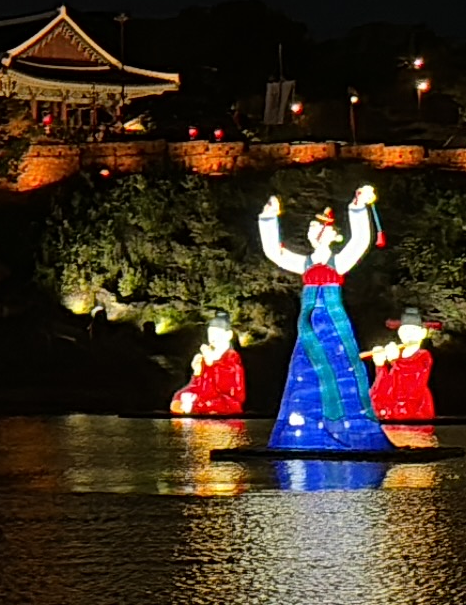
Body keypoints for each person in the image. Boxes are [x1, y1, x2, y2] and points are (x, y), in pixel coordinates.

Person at [254, 187, 390, 451]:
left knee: (341, 367)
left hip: (333, 321)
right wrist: (269, 219)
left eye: (322, 227)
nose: (315, 231)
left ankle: (343, 426)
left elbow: (361, 240)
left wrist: (358, 206)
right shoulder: (304, 263)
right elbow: (275, 252)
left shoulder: (338, 262)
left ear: (334, 235)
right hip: (308, 323)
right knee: (305, 369)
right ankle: (305, 427)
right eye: (313, 227)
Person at [366, 306, 436, 421]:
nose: (408, 334)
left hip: (414, 415)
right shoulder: (397, 355)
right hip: (391, 416)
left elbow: (412, 379)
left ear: (423, 333)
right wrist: (380, 365)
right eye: (404, 330)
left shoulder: (423, 357)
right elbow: (384, 386)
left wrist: (395, 361)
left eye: (413, 330)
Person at [169, 315, 245, 416]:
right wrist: (197, 373)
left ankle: (194, 407)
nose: (213, 338)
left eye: (217, 334)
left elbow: (229, 388)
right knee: (179, 397)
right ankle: (191, 407)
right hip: (205, 395)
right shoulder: (206, 356)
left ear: (228, 335)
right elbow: (198, 384)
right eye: (211, 334)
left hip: (224, 400)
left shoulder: (231, 358)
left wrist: (213, 364)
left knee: (215, 404)